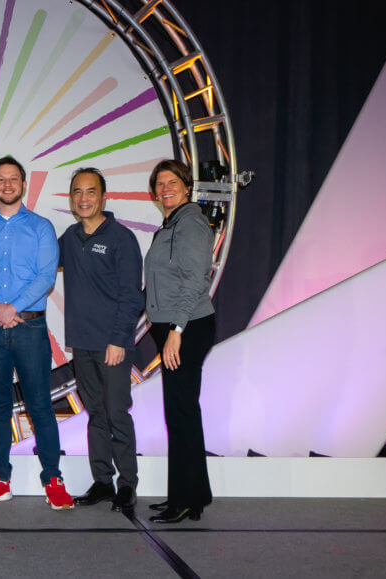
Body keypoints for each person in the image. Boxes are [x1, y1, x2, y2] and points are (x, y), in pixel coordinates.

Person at [0, 156, 74, 510]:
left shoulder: (42, 227)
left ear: (23, 184)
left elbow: (46, 277)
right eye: (1, 179)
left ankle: (53, 480)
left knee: (40, 405)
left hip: (30, 327)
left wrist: (12, 308)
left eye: (14, 179)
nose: (7, 184)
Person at [58, 168, 144, 513]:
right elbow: (39, 263)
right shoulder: (69, 236)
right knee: (95, 414)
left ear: (103, 197)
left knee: (117, 413)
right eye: (77, 192)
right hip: (81, 343)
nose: (83, 198)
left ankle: (128, 485)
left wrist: (119, 340)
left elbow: (131, 296)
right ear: (71, 198)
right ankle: (103, 481)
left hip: (113, 345)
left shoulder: (122, 238)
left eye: (90, 192)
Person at [144, 159, 216, 524]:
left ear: (187, 186)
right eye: (159, 184)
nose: (165, 188)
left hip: (185, 327)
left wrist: (177, 330)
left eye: (172, 182)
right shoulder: (172, 223)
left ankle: (186, 500)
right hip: (173, 327)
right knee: (180, 412)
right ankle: (190, 494)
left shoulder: (191, 222)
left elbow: (195, 281)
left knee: (182, 412)